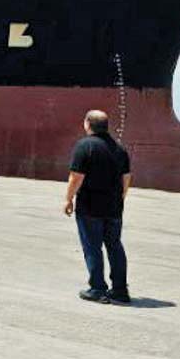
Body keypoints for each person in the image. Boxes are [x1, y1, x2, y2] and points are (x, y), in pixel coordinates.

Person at [63, 109, 132, 304]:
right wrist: (121, 198)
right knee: (115, 246)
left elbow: (76, 177)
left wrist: (68, 199)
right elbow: (126, 178)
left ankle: (97, 289)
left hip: (90, 208)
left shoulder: (84, 146)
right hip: (114, 208)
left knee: (92, 248)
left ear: (87, 124)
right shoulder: (120, 149)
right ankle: (120, 290)